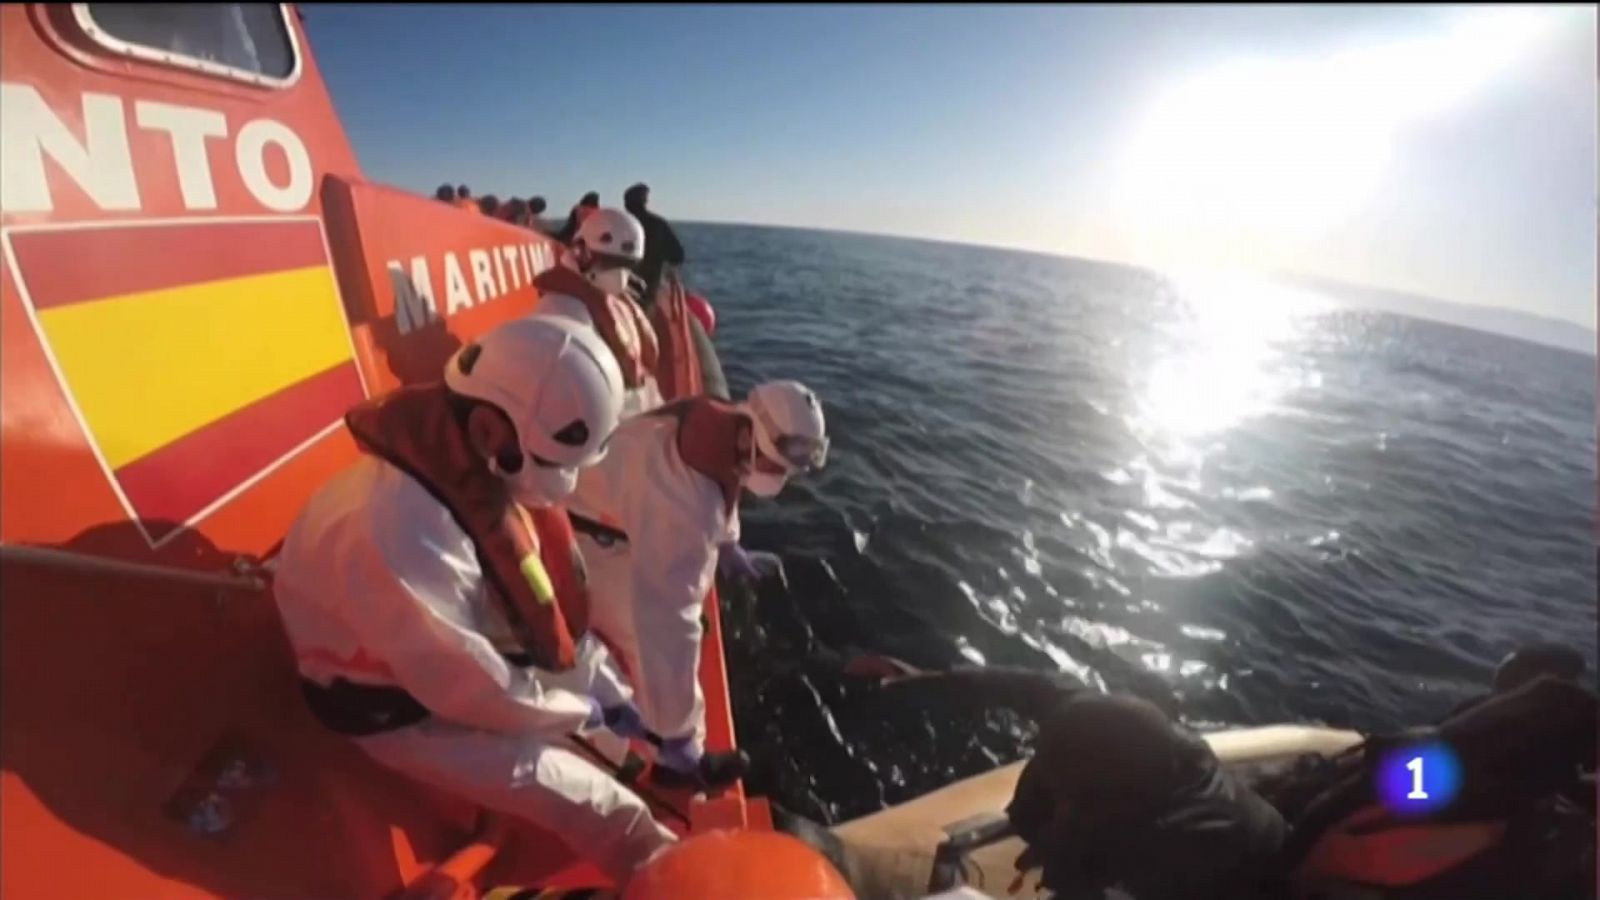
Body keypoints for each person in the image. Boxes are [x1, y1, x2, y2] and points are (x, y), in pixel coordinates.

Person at [271, 315, 678, 881]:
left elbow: (530, 615)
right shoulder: (406, 533)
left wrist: (607, 690)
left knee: (592, 717)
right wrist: (583, 708)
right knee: (602, 806)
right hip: (390, 707)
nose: (564, 484)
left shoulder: (475, 475)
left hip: (435, 653)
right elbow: (472, 691)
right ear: (492, 433)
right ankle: (668, 878)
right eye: (558, 466)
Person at [565, 380, 828, 789]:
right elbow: (668, 622)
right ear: (752, 438)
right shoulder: (685, 508)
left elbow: (731, 478)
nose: (781, 475)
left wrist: (728, 542)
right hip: (588, 539)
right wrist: (680, 736)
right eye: (779, 464)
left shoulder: (727, 423)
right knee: (649, 641)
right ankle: (674, 759)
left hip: (609, 504)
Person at [532, 207, 664, 418]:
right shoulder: (563, 311)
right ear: (581, 252)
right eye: (609, 263)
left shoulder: (620, 302)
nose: (619, 274)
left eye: (626, 266)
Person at [623, 183, 685, 308]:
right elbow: (677, 256)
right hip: (647, 292)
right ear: (645, 201)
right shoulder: (658, 225)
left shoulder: (619, 223)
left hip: (619, 289)